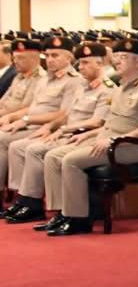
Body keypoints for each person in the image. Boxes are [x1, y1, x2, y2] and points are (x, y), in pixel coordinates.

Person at [40, 40, 138, 236]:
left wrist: (112, 140)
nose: (117, 61)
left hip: (130, 146)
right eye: (116, 57)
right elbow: (108, 124)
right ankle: (62, 213)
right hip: (108, 140)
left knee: (71, 161)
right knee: (54, 156)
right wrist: (88, 134)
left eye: (123, 57)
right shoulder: (121, 87)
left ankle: (78, 219)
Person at [3, 43, 112, 224]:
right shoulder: (83, 86)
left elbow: (97, 122)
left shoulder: (105, 88)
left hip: (85, 135)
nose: (80, 67)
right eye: (80, 63)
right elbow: (67, 114)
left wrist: (59, 128)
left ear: (99, 64)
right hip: (68, 132)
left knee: (37, 150)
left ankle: (55, 209)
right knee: (22, 147)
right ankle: (27, 200)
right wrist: (51, 126)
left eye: (85, 63)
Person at [0, 36, 84, 187]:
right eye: (48, 55)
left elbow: (63, 114)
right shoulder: (45, 79)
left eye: (55, 55)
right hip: (30, 124)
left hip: (48, 127)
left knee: (6, 140)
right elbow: (32, 107)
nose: (49, 60)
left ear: (69, 58)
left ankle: (18, 193)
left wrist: (26, 120)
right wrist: (13, 117)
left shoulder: (74, 80)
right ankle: (17, 193)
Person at [0, 37, 44, 117]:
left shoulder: (41, 79)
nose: (15, 61)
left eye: (20, 58)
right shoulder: (18, 76)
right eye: (14, 58)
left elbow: (24, 108)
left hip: (13, 120)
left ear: (34, 59)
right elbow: (3, 100)